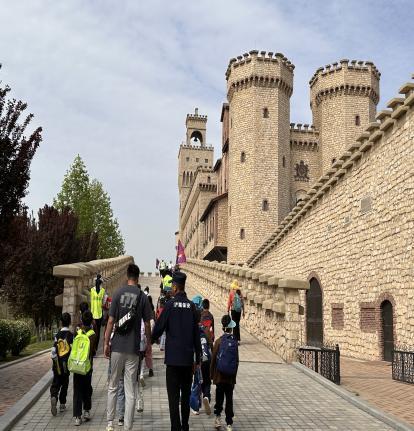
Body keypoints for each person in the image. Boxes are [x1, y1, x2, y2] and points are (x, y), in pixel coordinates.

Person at [104, 264, 152, 431]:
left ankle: (110, 423)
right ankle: (127, 426)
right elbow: (147, 324)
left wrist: (105, 342)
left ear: (127, 276)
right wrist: (148, 344)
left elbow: (110, 321)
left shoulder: (117, 293)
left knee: (113, 385)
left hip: (117, 345)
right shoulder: (142, 296)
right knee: (130, 388)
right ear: (137, 277)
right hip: (133, 348)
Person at [152, 271, 201, 431]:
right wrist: (198, 359)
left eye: (171, 286)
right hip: (187, 361)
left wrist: (149, 342)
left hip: (173, 361)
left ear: (174, 287)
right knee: (185, 397)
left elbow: (159, 328)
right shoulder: (192, 306)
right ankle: (185, 426)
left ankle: (175, 427)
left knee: (173, 399)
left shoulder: (170, 305)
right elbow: (196, 334)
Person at [211, 315, 239, 431]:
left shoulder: (218, 342)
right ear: (231, 328)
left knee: (219, 398)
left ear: (223, 327)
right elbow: (236, 361)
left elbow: (213, 360)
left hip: (219, 376)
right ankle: (229, 423)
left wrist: (212, 376)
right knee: (229, 399)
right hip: (230, 378)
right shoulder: (234, 343)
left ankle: (217, 418)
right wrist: (234, 377)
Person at [72, 310, 97, 426]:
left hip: (77, 365)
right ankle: (86, 411)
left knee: (77, 390)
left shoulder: (77, 332)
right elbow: (93, 351)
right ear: (92, 320)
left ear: (81, 320)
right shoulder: (92, 334)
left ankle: (77, 416)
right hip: (87, 366)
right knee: (87, 388)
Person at [50, 312, 74, 416]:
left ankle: (54, 396)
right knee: (65, 384)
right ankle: (62, 404)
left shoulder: (57, 335)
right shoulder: (71, 336)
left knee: (56, 382)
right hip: (66, 366)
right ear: (70, 322)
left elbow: (53, 351)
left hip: (57, 365)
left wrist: (55, 361)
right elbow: (72, 350)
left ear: (61, 322)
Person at [90, 274, 107, 348]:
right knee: (95, 332)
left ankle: (94, 347)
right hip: (94, 314)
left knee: (96, 331)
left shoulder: (102, 291)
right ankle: (94, 347)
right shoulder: (93, 290)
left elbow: (102, 303)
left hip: (98, 314)